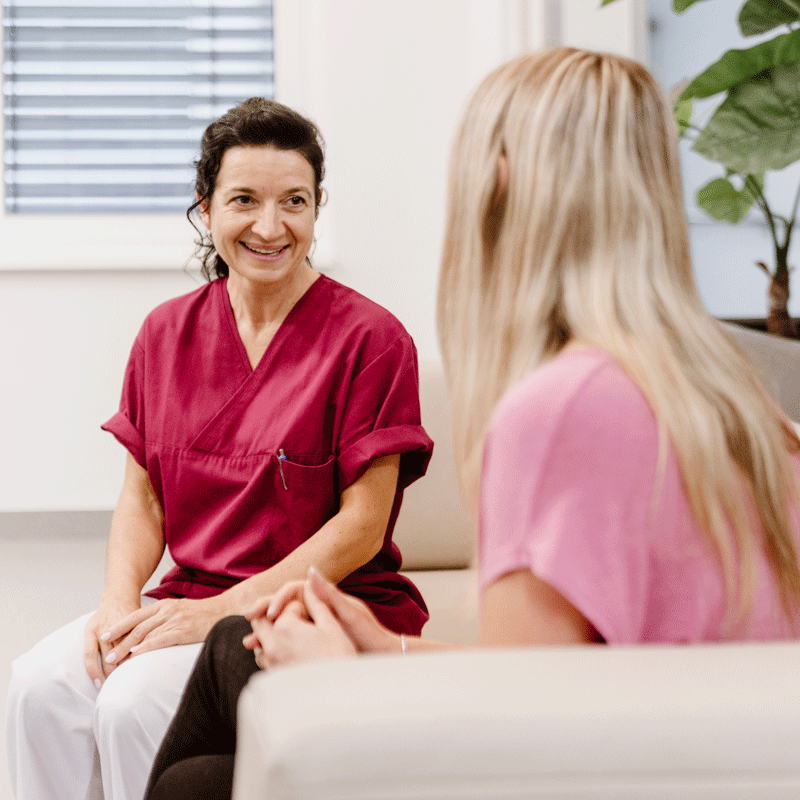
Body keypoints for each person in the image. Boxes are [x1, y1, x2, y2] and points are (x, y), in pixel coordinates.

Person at [142, 47, 800, 799]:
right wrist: (382, 648)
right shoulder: (737, 400)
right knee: (222, 706)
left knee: (207, 740)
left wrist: (337, 680)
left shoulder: (564, 410)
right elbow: (575, 679)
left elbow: (508, 748)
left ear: (502, 182)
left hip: (584, 774)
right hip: (675, 760)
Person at [5, 97, 432, 800]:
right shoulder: (164, 333)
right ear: (205, 209)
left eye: (294, 201)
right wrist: (117, 603)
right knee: (38, 687)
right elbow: (143, 497)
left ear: (317, 207)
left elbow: (362, 526)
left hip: (314, 607)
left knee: (130, 701)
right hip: (188, 595)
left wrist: (221, 613)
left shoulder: (371, 340)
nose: (270, 226)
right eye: (244, 200)